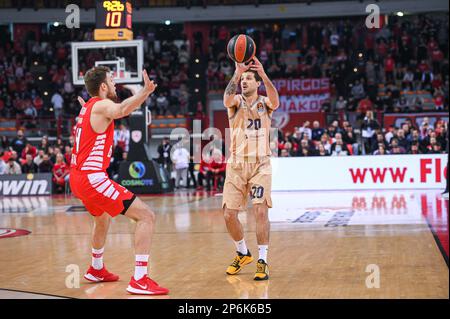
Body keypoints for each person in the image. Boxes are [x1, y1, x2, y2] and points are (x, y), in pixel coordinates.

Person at [70, 66, 168, 295]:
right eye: (112, 81)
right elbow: (123, 109)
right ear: (103, 86)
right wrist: (145, 92)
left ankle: (96, 269)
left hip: (77, 177)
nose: (115, 85)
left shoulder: (87, 108)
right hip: (91, 178)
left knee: (102, 219)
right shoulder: (102, 105)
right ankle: (140, 279)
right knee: (146, 216)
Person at [222, 57, 279, 281]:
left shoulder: (265, 102)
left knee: (260, 211)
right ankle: (243, 251)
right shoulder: (235, 101)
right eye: (243, 79)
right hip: (236, 165)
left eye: (248, 78)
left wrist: (264, 74)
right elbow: (226, 98)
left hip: (260, 164)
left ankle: (262, 260)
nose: (244, 81)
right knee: (228, 215)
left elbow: (277, 100)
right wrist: (237, 73)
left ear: (257, 83)